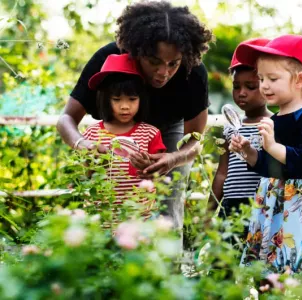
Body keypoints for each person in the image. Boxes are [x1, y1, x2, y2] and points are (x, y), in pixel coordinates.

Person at [57, 1, 213, 229]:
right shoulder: (108, 58)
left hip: (168, 133)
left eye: (173, 64)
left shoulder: (194, 71)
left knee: (167, 207)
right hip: (112, 133)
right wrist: (83, 145)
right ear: (136, 52)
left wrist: (174, 158)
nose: (164, 73)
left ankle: (168, 264)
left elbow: (195, 140)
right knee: (106, 204)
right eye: (154, 62)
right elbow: (66, 119)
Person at [230, 34, 302, 277]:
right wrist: (250, 152)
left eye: (273, 78)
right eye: (261, 78)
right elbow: (269, 166)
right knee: (271, 270)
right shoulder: (274, 119)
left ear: (299, 80)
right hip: (275, 201)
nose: (264, 85)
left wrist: (272, 146)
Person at [82, 53, 166, 226]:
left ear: (141, 99)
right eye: (117, 99)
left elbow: (159, 176)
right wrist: (94, 166)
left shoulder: (150, 133)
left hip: (139, 219)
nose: (125, 106)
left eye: (132, 99)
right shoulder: (92, 134)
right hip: (101, 219)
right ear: (105, 100)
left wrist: (147, 168)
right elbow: (84, 176)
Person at [208, 38, 273, 226]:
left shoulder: (274, 124)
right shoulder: (228, 127)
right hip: (230, 207)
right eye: (237, 87)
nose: (242, 93)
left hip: (262, 206)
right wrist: (209, 212)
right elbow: (222, 173)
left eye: (251, 87)